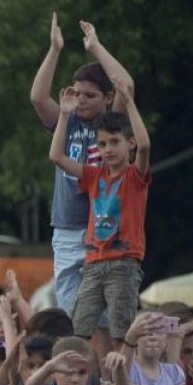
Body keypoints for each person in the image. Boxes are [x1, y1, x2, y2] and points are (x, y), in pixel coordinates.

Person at [31, 14, 133, 316]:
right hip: (66, 225)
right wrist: (54, 49)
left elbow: (126, 84)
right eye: (77, 94)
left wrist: (97, 48)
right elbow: (38, 97)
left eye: (90, 95)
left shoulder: (111, 124)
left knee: (102, 311)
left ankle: (101, 362)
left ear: (107, 97)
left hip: (101, 225)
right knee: (70, 309)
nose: (82, 100)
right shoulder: (68, 120)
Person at [50, 72, 151, 345]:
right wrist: (63, 115)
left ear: (127, 144)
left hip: (123, 261)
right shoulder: (94, 175)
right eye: (102, 144)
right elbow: (56, 157)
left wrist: (128, 103)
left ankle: (119, 382)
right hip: (94, 262)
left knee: (121, 331)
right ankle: (83, 378)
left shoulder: (135, 176)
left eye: (115, 142)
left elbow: (144, 145)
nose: (107, 149)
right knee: (79, 328)